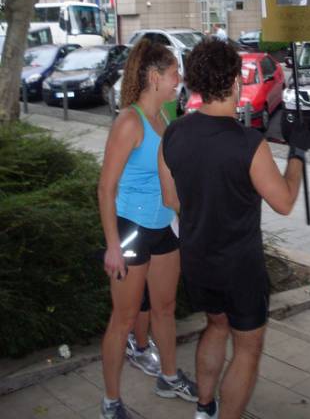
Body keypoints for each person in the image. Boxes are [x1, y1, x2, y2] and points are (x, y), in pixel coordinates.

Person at [159, 38, 310, 419]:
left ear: (196, 82)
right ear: (234, 81)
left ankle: (204, 408)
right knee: (247, 349)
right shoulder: (249, 144)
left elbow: (171, 199)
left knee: (215, 325)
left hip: (197, 259)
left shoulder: (173, 133)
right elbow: (284, 201)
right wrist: (297, 153)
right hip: (240, 268)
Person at [98, 38, 197, 419]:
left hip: (162, 227)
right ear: (155, 76)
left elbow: (169, 183)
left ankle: (168, 377)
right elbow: (106, 188)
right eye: (174, 74)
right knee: (123, 320)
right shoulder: (130, 122)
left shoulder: (163, 119)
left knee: (165, 308)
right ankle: (111, 401)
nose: (178, 81)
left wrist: (187, 219)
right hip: (131, 230)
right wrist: (112, 245)